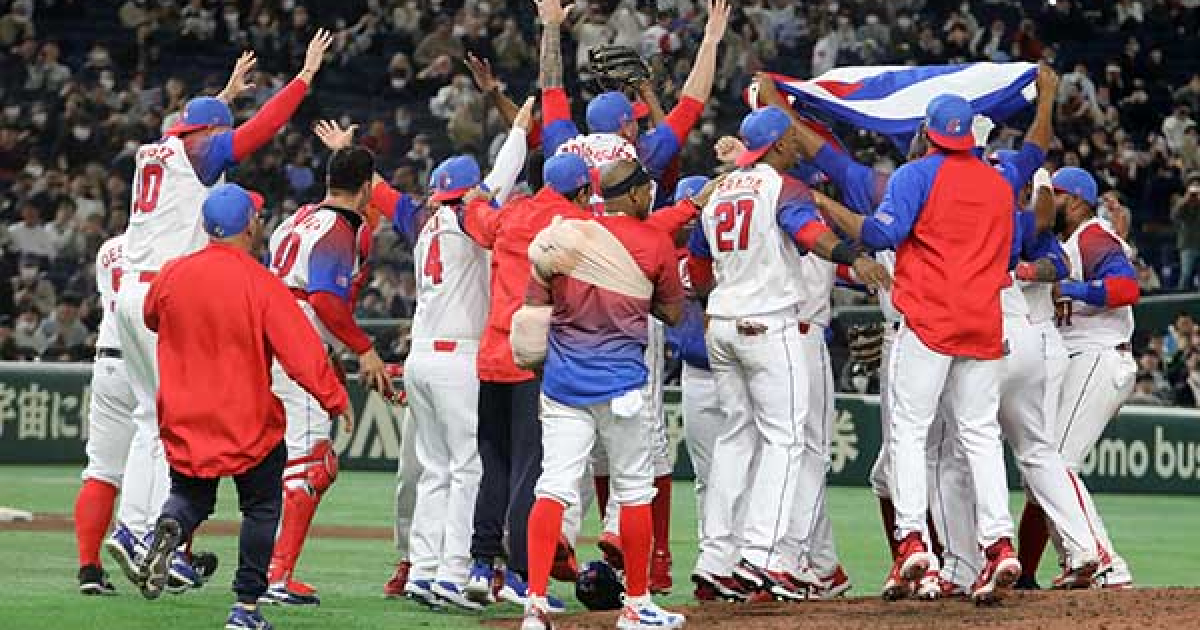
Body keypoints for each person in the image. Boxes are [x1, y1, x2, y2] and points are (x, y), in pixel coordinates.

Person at [107, 33, 333, 586]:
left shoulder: (157, 149)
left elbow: (201, 128)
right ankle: (153, 536)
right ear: (209, 131)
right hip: (165, 288)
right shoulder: (201, 151)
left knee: (147, 419)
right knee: (174, 430)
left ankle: (132, 529)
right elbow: (256, 133)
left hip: (130, 295)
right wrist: (303, 79)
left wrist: (226, 94)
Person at [816, 93, 1029, 604]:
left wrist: (830, 208)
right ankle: (999, 544)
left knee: (910, 432)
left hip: (930, 318)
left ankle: (912, 538)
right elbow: (1008, 253)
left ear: (930, 133)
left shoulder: (916, 175)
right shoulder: (1000, 184)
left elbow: (880, 231)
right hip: (983, 320)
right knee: (979, 436)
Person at [686, 106, 888, 603]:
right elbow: (808, 234)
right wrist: (851, 255)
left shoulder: (716, 195)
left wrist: (722, 297)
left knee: (737, 439)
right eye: (792, 139)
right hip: (769, 326)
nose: (798, 146)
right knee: (787, 441)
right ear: (776, 145)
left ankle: (716, 557)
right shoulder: (782, 187)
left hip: (724, 324)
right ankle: (767, 557)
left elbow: (698, 262)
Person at [136, 183, 349, 630]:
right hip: (246, 417)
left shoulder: (173, 274)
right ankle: (246, 607)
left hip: (185, 412)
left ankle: (171, 525)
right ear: (249, 226)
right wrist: (334, 397)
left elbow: (151, 316)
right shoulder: (261, 282)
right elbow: (301, 352)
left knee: (191, 495)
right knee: (261, 507)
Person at [516, 158, 686, 630]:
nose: (650, 195)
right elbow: (673, 313)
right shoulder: (653, 241)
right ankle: (636, 603)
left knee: (553, 486)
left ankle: (534, 603)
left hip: (564, 382)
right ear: (634, 195)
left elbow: (535, 304)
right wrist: (635, 294)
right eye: (647, 189)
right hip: (622, 385)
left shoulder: (566, 235)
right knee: (634, 491)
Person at [380, 100, 531, 610]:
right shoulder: (468, 220)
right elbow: (502, 178)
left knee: (434, 469)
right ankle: (452, 572)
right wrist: (518, 130)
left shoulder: (427, 226)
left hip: (422, 356)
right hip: (457, 357)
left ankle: (423, 570)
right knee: (467, 468)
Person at [457, 153, 595, 610]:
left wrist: (476, 197)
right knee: (529, 471)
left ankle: (480, 566)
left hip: (493, 355)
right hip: (537, 360)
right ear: (580, 189)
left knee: (493, 464)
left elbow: (472, 214)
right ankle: (517, 575)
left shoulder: (511, 213)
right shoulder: (579, 224)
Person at [262, 144, 392, 606]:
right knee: (313, 462)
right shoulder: (341, 227)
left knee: (266, 460)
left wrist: (333, 355)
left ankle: (243, 562)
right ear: (364, 189)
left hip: (268, 333)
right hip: (295, 341)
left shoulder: (295, 220)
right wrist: (365, 349)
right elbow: (324, 300)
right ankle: (276, 575)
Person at [1018, 166, 1140, 590]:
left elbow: (1126, 289)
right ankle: (1031, 572)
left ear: (1077, 200)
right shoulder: (1064, 243)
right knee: (1041, 470)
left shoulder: (1092, 237)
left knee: (1057, 463)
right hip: (1081, 357)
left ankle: (1105, 562)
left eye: (1058, 196)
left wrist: (1071, 288)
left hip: (1099, 354)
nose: (1050, 204)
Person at [73, 235, 131, 596]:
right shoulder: (171, 243)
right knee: (173, 462)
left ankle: (89, 567)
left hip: (109, 359)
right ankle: (177, 558)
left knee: (101, 471)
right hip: (152, 361)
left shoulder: (108, 249)